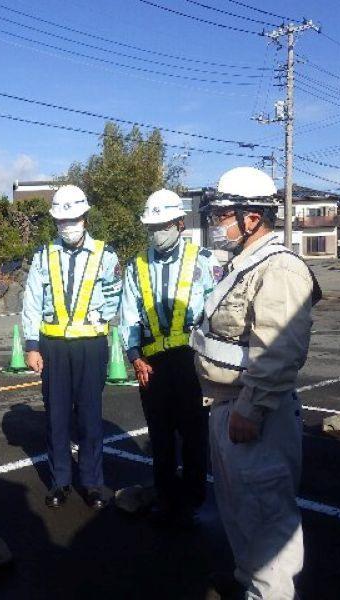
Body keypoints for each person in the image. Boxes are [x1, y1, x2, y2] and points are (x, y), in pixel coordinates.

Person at [191, 167, 320, 599]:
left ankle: (269, 592)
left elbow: (279, 351)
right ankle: (248, 580)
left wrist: (252, 407)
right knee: (239, 509)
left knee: (267, 517)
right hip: (226, 404)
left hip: (254, 411)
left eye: (223, 214)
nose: (217, 222)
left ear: (252, 217)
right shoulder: (243, 263)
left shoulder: (280, 267)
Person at [118, 189, 220, 526]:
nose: (158, 232)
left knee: (194, 435)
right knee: (160, 436)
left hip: (192, 360)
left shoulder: (204, 260)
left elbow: (217, 312)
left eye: (163, 225)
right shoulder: (137, 266)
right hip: (151, 364)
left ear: (180, 223)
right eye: (152, 227)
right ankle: (165, 497)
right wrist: (134, 356)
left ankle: (192, 500)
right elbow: (128, 315)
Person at [21, 184, 121, 510]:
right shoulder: (43, 255)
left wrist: (102, 316)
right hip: (53, 346)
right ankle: (60, 481)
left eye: (73, 219)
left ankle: (92, 482)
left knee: (90, 418)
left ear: (85, 218)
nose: (68, 226)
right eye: (62, 221)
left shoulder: (106, 255)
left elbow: (115, 294)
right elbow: (32, 301)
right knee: (57, 417)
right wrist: (31, 346)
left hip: (91, 346)